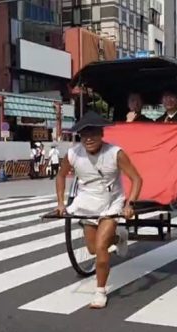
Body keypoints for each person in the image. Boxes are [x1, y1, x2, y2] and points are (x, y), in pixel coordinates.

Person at [55, 111, 143, 309]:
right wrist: (61, 203)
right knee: (93, 249)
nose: (88, 139)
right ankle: (119, 237)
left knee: (101, 247)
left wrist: (130, 204)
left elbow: (137, 179)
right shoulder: (73, 154)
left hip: (111, 202)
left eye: (93, 133)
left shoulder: (115, 153)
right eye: (84, 135)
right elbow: (60, 176)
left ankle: (100, 291)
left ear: (102, 134)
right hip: (85, 203)